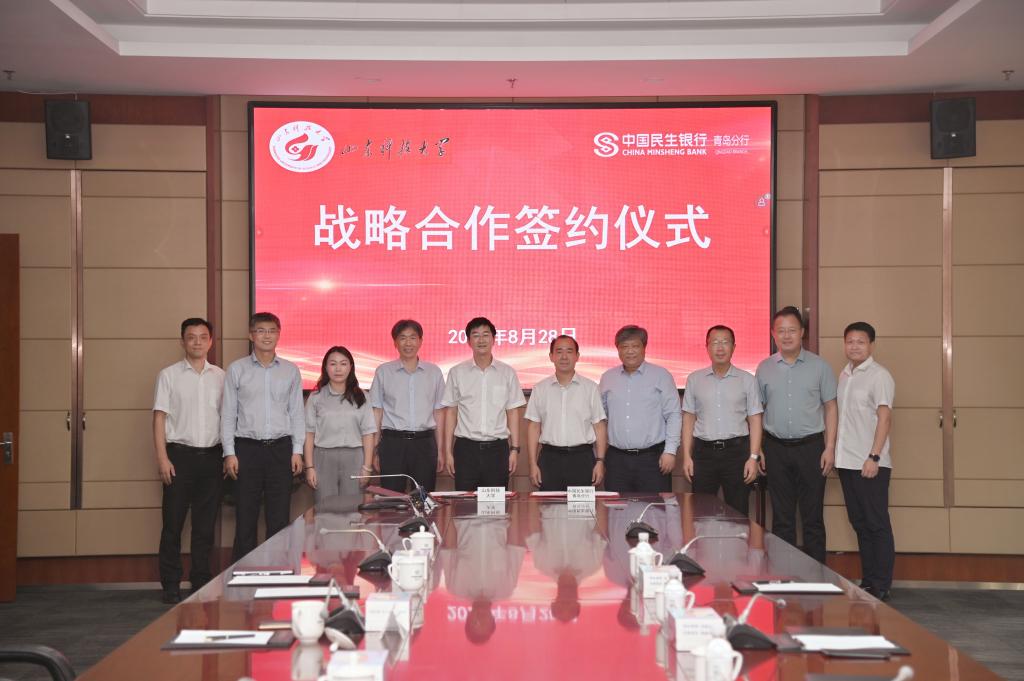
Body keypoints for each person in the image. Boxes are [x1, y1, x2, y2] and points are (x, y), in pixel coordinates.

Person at [755, 306, 837, 563]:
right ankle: (784, 574)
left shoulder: (820, 366)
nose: (786, 335)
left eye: (792, 330)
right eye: (781, 331)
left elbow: (831, 407)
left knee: (813, 517)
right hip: (775, 449)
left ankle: (818, 575)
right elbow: (757, 412)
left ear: (802, 332)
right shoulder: (764, 368)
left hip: (811, 449)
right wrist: (758, 450)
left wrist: (830, 447)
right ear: (773, 334)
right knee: (782, 518)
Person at [152, 318, 225, 604]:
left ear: (211, 342)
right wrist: (162, 458)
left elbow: (227, 419)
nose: (197, 342)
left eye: (203, 337)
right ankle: (171, 584)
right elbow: (159, 418)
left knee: (205, 527)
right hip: (178, 458)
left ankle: (200, 580)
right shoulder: (168, 375)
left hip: (212, 458)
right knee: (172, 524)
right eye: (191, 337)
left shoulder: (221, 376)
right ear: (182, 341)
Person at [222, 312, 304, 561]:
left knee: (278, 517)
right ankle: (241, 574)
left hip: (281, 449)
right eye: (260, 330)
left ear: (278, 335)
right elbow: (228, 414)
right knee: (245, 516)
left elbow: (296, 413)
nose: (266, 336)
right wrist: (229, 453)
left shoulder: (290, 370)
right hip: (246, 450)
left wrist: (297, 450)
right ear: (251, 335)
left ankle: (277, 571)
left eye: (271, 331)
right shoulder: (237, 369)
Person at [836, 321, 896, 601]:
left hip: (870, 463)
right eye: (850, 341)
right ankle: (869, 580)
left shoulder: (879, 375)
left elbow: (885, 418)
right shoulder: (844, 375)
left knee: (876, 523)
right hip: (846, 462)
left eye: (860, 341)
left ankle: (882, 583)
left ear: (871, 344)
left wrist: (874, 456)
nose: (854, 346)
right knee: (859, 523)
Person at [681, 325, 764, 515]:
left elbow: (755, 420)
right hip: (703, 454)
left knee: (738, 513)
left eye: (725, 342)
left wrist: (753, 458)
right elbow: (688, 419)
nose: (720, 347)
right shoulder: (695, 379)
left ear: (734, 347)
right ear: (707, 347)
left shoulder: (747, 380)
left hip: (737, 454)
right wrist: (686, 456)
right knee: (701, 513)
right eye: (715, 342)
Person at [442, 317, 526, 491]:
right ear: (468, 341)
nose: (481, 340)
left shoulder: (507, 373)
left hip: (497, 450)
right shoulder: (457, 372)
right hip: (465, 450)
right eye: (476, 335)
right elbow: (451, 412)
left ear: (494, 339)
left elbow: (512, 412)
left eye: (486, 335)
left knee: (495, 504)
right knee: (465, 504)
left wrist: (514, 449)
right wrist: (448, 452)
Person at [598, 325, 682, 493]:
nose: (630, 351)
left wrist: (670, 452)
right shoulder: (608, 378)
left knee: (655, 507)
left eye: (635, 346)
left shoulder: (661, 375)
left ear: (644, 348)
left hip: (652, 459)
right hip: (617, 460)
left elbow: (674, 415)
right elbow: (601, 418)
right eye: (624, 346)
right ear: (618, 350)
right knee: (616, 507)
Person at [368, 320, 446, 493]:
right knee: (393, 499)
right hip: (392, 443)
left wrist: (440, 450)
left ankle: (421, 513)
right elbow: (377, 412)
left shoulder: (434, 372)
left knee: (422, 499)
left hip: (424, 444)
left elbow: (439, 413)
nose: (408, 343)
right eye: (402, 338)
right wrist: (375, 450)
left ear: (421, 341)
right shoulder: (384, 371)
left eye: (412, 337)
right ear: (395, 342)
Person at [525, 335, 607, 491]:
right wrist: (532, 464)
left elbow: (599, 426)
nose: (564, 356)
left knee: (582, 507)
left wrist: (600, 461)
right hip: (549, 459)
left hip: (582, 459)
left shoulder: (590, 388)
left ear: (577, 356)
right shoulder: (540, 389)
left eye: (569, 351)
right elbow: (533, 427)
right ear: (551, 356)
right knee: (549, 505)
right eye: (559, 351)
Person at [303, 346, 377, 503]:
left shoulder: (362, 397)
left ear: (350, 367)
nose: (338, 369)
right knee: (324, 507)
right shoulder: (315, 397)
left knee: (353, 508)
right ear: (325, 367)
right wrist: (309, 467)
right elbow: (309, 435)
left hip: (355, 458)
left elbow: (368, 434)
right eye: (333, 364)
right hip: (323, 458)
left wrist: (367, 467)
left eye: (343, 364)